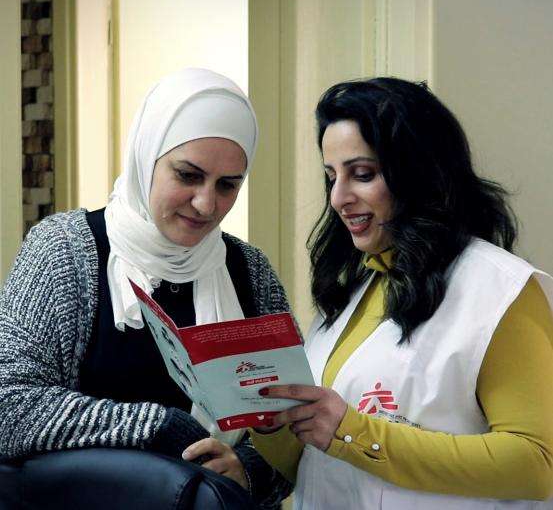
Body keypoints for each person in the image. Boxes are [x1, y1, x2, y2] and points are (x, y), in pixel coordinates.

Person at [250, 77, 553, 509]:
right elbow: (315, 459)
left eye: (363, 174)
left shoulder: (502, 291)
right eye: (331, 176)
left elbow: (535, 465)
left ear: (419, 173)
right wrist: (269, 429)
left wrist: (353, 433)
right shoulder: (354, 290)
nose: (338, 198)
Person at [0, 68, 291, 508]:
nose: (206, 204)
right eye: (188, 175)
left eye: (227, 185)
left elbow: (288, 427)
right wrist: (151, 426)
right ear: (146, 155)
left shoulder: (250, 272)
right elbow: (9, 408)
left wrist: (247, 471)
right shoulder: (65, 252)